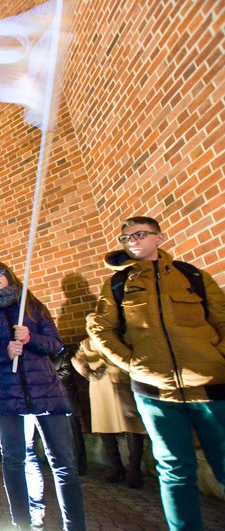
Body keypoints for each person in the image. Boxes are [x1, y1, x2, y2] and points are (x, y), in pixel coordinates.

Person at [88, 216, 225, 530]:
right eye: (125, 238)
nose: (131, 241)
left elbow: (221, 317)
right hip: (155, 392)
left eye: (139, 234)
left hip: (209, 385)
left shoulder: (192, 276)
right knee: (174, 470)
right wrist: (133, 365)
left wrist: (218, 358)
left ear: (159, 238)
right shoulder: (118, 284)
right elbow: (100, 328)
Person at [0, 260, 85, 530]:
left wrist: (30, 338)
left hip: (44, 392)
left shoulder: (32, 306)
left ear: (9, 276)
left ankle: (75, 525)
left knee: (63, 463)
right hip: (5, 395)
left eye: (0, 273)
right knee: (13, 461)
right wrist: (3, 351)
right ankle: (21, 524)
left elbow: (56, 345)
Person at [73, 313, 146, 488]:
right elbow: (76, 359)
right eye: (88, 322)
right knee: (104, 427)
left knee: (131, 425)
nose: (91, 325)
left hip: (120, 384)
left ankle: (134, 469)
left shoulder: (118, 338)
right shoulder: (86, 343)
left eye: (94, 322)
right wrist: (87, 372)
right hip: (99, 388)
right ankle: (116, 467)